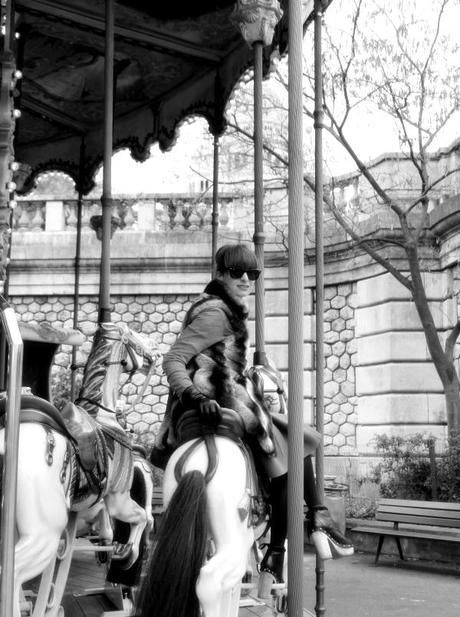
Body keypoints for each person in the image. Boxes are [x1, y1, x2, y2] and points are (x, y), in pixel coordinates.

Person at [150, 243, 353, 587]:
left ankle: (295, 530)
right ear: (219, 274)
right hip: (218, 398)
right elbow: (173, 359)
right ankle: (301, 528)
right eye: (236, 272)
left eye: (253, 273)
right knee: (297, 437)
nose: (246, 279)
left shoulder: (221, 308)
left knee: (281, 431)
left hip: (217, 395)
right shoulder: (215, 312)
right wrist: (196, 394)